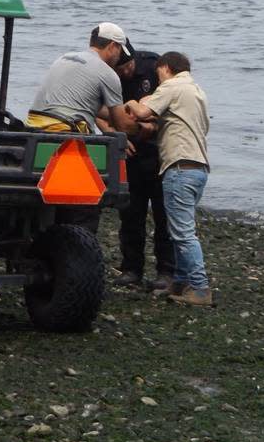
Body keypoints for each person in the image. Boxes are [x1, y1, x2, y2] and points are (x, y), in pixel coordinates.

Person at [28, 23, 152, 232]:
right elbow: (122, 125)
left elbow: (89, 107)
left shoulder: (64, 59)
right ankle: (78, 250)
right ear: (112, 46)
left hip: (34, 133)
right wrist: (148, 126)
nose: (120, 56)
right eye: (120, 50)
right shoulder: (107, 73)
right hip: (66, 139)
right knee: (84, 211)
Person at [125, 51, 212, 306]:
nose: (157, 78)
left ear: (165, 68)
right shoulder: (196, 91)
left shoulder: (172, 86)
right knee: (178, 229)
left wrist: (130, 103)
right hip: (199, 168)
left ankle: (200, 287)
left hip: (179, 168)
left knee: (183, 233)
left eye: (158, 73)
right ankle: (181, 281)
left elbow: (142, 112)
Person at [103, 43, 174, 290]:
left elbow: (172, 109)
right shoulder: (108, 75)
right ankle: (131, 268)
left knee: (164, 216)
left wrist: (150, 127)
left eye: (128, 66)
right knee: (131, 215)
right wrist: (114, 135)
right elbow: (97, 112)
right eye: (119, 68)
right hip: (129, 153)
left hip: (159, 152)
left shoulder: (154, 68)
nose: (125, 72)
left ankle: (166, 271)